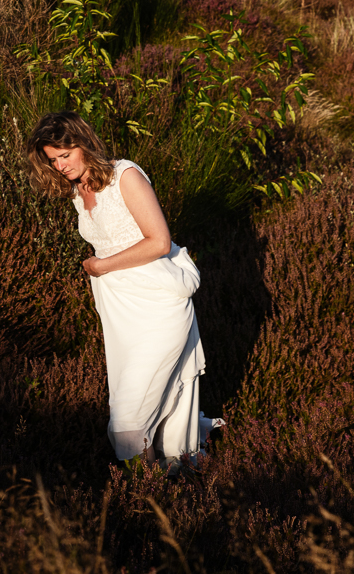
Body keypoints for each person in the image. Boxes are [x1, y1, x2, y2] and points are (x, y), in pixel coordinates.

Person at [26, 111, 222, 471]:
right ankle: (158, 497)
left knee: (127, 418)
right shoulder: (76, 190)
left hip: (158, 307)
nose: (60, 166)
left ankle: (143, 491)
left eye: (65, 155)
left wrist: (101, 266)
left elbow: (159, 242)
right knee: (139, 402)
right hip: (121, 318)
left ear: (83, 144)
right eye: (53, 160)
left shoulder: (124, 176)